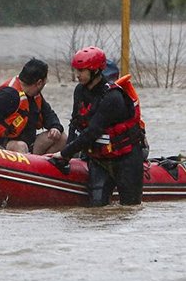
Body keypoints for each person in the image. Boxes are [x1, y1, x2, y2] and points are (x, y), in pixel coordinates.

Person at [49, 46, 145, 206]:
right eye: (76, 70)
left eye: (82, 70)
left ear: (95, 71)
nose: (77, 75)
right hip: (99, 160)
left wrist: (65, 153)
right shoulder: (79, 91)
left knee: (130, 208)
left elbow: (93, 131)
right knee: (96, 209)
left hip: (126, 160)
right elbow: (75, 124)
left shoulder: (112, 97)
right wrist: (69, 156)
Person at [0, 58, 66, 154]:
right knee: (20, 146)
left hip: (29, 145)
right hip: (0, 144)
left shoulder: (35, 95)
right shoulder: (9, 96)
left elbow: (49, 114)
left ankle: (39, 169)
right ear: (39, 83)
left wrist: (55, 127)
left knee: (61, 138)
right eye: (45, 81)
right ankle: (25, 172)